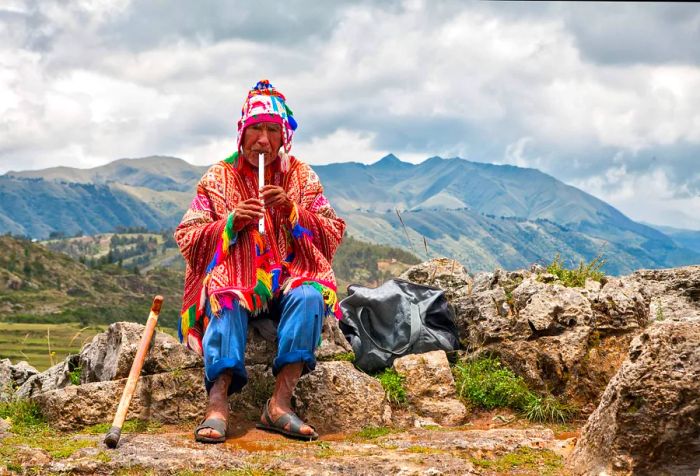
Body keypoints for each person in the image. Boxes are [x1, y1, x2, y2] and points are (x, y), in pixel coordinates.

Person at [175, 79, 346, 443]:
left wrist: (293, 211)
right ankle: (218, 403)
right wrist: (231, 224)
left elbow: (332, 231)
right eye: (256, 129)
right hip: (238, 280)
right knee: (225, 293)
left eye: (272, 130)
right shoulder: (219, 177)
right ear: (242, 133)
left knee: (310, 296)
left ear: (284, 137)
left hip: (287, 279)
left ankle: (279, 404)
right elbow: (188, 236)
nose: (264, 140)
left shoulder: (301, 176)